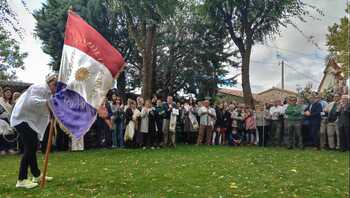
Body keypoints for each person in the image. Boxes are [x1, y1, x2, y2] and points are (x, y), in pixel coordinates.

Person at [10, 73, 56, 189]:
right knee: (30, 148)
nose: (55, 87)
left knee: (33, 147)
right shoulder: (39, 88)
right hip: (21, 119)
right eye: (54, 84)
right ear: (49, 82)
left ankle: (36, 175)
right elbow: (32, 101)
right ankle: (21, 179)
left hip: (29, 121)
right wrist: (48, 103)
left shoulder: (48, 93)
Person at [0, 87, 16, 155]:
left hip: (9, 120)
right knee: (2, 134)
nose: (9, 94)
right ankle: (2, 150)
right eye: (7, 92)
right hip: (1, 119)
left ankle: (9, 149)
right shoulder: (0, 100)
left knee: (9, 134)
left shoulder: (10, 104)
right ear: (3, 93)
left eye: (10, 93)